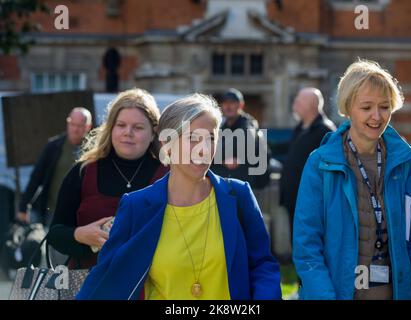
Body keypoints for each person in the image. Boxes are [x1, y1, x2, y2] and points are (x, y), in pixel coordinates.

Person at [76, 93, 281, 300]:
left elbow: (262, 265)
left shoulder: (239, 196)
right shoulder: (136, 206)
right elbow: (105, 280)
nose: (204, 149)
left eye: (211, 138)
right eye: (193, 138)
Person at [293, 59, 411, 300]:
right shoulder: (320, 163)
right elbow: (307, 246)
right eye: (366, 108)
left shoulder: (405, 160)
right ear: (348, 108)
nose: (377, 116)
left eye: (384, 107)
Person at [48, 88, 168, 269]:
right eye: (121, 125)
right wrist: (79, 235)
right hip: (89, 285)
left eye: (138, 127)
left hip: (149, 287)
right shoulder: (83, 172)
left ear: (153, 133)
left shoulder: (168, 176)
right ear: (110, 128)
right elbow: (55, 235)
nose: (128, 132)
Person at [17, 108, 92, 226]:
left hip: (78, 214)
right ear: (68, 123)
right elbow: (36, 177)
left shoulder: (93, 151)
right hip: (51, 210)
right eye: (72, 124)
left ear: (88, 127)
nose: (75, 129)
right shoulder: (54, 146)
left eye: (79, 125)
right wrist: (23, 206)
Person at [279, 88, 336, 241]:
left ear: (309, 105)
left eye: (298, 101)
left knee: (311, 242)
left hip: (312, 200)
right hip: (293, 197)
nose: (294, 105)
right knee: (296, 241)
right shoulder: (299, 129)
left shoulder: (325, 130)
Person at [211, 88, 270, 190]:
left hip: (244, 186)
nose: (228, 106)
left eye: (232, 103)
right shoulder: (222, 127)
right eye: (225, 103)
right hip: (225, 185)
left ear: (241, 105)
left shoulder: (248, 124)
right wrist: (222, 160)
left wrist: (217, 155)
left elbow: (242, 141)